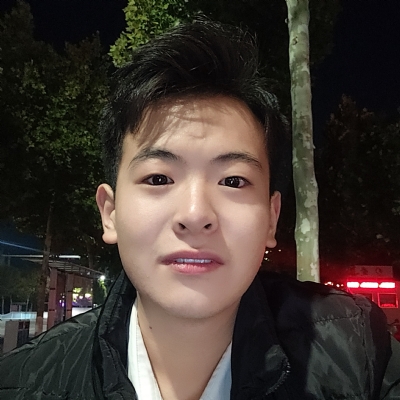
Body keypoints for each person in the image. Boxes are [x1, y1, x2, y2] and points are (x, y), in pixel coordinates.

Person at [0, 18, 399, 400]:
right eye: (159, 178)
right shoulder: (21, 384)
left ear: (271, 218)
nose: (195, 214)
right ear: (110, 212)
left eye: (233, 181)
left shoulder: (361, 356)